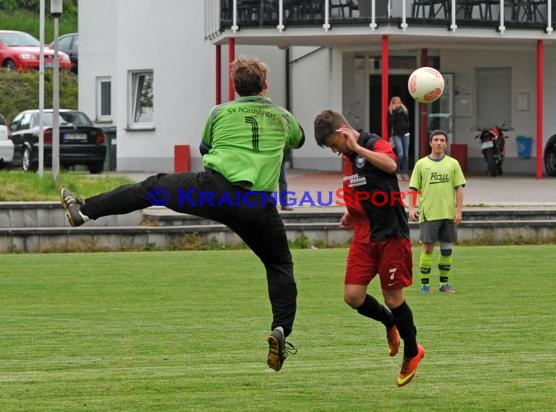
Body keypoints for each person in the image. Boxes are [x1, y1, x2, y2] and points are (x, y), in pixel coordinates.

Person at [59, 56, 305, 372]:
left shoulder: (220, 112)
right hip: (257, 204)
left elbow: (205, 148)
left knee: (152, 187)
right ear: (265, 85)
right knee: (279, 264)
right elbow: (298, 139)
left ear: (234, 86)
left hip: (212, 191)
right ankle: (281, 328)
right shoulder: (281, 116)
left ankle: (86, 211)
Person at [313, 109, 424, 387]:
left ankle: (413, 351)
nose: (334, 151)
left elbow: (389, 165)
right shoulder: (348, 157)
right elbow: (361, 186)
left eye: (333, 144)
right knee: (352, 296)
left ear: (342, 133)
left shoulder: (373, 143)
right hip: (364, 236)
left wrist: (358, 147)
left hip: (389, 235)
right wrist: (352, 211)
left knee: (393, 297)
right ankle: (390, 324)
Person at [408, 129, 466, 294]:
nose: (439, 143)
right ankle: (425, 284)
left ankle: (444, 284)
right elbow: (413, 188)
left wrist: (459, 211)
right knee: (427, 248)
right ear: (430, 143)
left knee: (447, 250)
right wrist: (411, 208)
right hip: (429, 214)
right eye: (436, 140)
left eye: (442, 140)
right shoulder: (421, 164)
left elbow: (459, 188)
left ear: (446, 144)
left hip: (448, 214)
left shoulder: (453, 164)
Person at [388, 96, 411, 181]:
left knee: (406, 154)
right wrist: (394, 112)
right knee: (400, 154)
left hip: (406, 134)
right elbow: (390, 122)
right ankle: (397, 171)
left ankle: (405, 173)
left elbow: (408, 122)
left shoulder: (404, 111)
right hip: (396, 135)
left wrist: (406, 127)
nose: (397, 104)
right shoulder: (392, 111)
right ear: (392, 104)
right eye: (395, 103)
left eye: (399, 102)